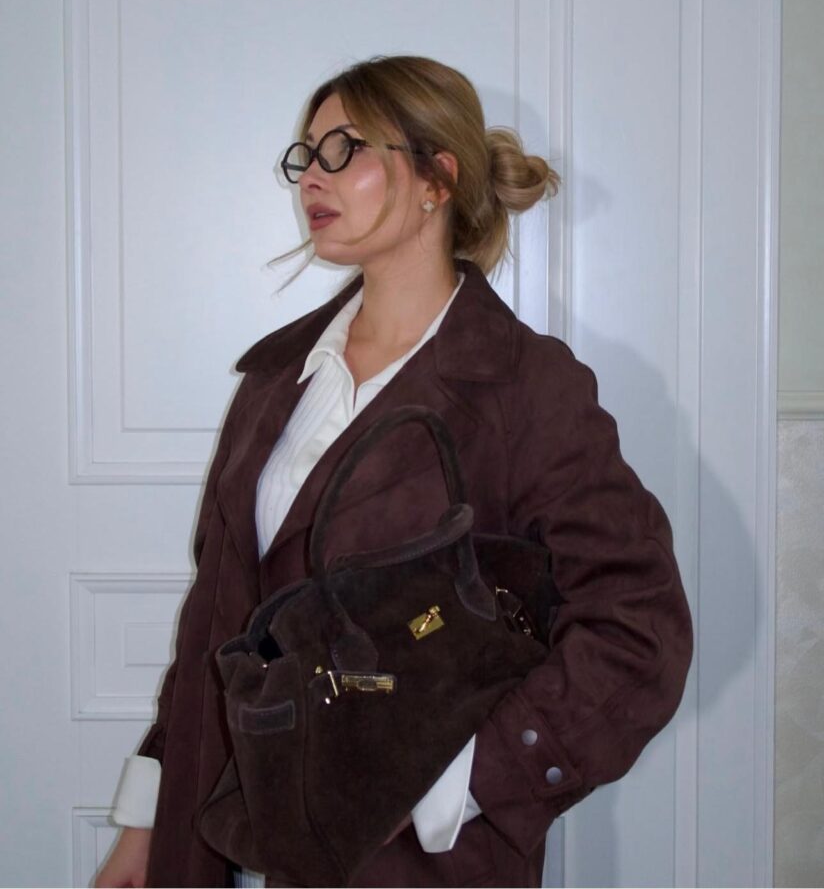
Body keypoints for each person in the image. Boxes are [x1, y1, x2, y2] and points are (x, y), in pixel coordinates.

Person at [95, 54, 693, 889]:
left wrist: (464, 785)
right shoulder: (277, 380)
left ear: (436, 178)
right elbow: (215, 618)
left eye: (344, 149)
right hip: (238, 839)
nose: (312, 176)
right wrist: (153, 814)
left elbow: (638, 628)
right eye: (307, 154)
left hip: (419, 864)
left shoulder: (524, 387)